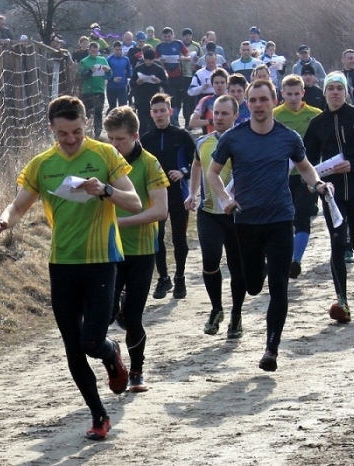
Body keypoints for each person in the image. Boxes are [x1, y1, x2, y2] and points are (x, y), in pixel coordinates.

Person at [0, 95, 141, 441]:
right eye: (62, 134)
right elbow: (18, 206)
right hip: (62, 264)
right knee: (73, 347)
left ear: (85, 125)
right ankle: (99, 414)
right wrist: (1, 222)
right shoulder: (43, 164)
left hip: (102, 261)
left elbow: (133, 202)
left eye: (76, 132)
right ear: (51, 130)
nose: (70, 140)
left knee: (91, 341)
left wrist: (105, 190)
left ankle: (111, 352)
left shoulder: (105, 155)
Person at [207, 79, 330, 371]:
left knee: (279, 286)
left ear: (274, 100)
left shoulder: (288, 137)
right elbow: (213, 174)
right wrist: (225, 198)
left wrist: (318, 184)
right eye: (253, 101)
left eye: (264, 99)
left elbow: (304, 167)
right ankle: (257, 272)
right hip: (246, 222)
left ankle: (271, 349)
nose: (259, 105)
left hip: (279, 220)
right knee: (252, 286)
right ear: (247, 104)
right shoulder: (233, 138)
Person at [304, 72, 354, 323]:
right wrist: (316, 183)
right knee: (338, 242)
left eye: (340, 88)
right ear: (325, 93)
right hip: (332, 193)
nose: (335, 93)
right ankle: (342, 300)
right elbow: (306, 159)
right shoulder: (318, 123)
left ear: (347, 92)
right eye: (331, 89)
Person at [104, 106, 169, 392]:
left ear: (135, 135)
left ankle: (137, 371)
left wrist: (121, 222)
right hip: (108, 251)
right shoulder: (102, 161)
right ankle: (112, 359)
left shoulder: (150, 163)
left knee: (133, 318)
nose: (115, 145)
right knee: (102, 316)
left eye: (120, 139)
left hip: (142, 251)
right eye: (111, 139)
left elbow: (161, 211)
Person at [185, 95, 247, 338]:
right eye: (215, 113)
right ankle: (216, 309)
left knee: (237, 266)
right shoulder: (203, 142)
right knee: (210, 260)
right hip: (209, 212)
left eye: (224, 114)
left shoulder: (244, 142)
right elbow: (197, 165)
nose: (218, 118)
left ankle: (237, 316)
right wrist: (192, 192)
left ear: (235, 116)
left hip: (236, 214)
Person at [140, 93, 196, 299]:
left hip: (178, 193)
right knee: (157, 237)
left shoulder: (182, 136)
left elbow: (196, 163)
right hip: (156, 195)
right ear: (151, 114)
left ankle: (180, 277)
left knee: (180, 238)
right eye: (155, 111)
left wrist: (182, 172)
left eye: (163, 110)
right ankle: (163, 278)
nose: (159, 114)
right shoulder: (146, 139)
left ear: (170, 112)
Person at [273, 74, 322, 278]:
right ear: (282, 93)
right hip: (281, 176)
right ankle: (279, 257)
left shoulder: (316, 114)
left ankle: (296, 260)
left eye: (296, 94)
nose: (293, 98)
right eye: (288, 94)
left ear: (303, 93)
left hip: (306, 174)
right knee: (284, 218)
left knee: (302, 215)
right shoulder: (274, 114)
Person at [155, 27, 191, 127]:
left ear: (173, 35)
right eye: (165, 37)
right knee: (170, 99)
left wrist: (182, 58)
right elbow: (154, 60)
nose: (167, 38)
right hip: (166, 77)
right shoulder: (159, 46)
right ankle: (174, 121)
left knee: (179, 99)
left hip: (179, 76)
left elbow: (189, 57)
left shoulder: (178, 44)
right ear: (162, 37)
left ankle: (177, 119)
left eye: (169, 36)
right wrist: (159, 61)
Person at [130, 48, 169, 135]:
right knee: (142, 122)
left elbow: (167, 84)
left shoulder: (158, 69)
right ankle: (143, 141)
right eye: (146, 59)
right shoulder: (139, 68)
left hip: (154, 98)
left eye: (150, 60)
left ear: (154, 59)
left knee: (154, 121)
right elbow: (131, 83)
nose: (148, 61)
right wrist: (137, 82)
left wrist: (159, 81)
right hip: (141, 98)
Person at [79, 42, 111, 139]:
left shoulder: (102, 60)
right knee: (87, 112)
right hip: (87, 91)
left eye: (96, 51)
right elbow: (80, 75)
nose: (95, 53)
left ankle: (98, 132)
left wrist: (107, 70)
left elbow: (110, 74)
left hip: (99, 89)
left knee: (98, 111)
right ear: (89, 50)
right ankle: (85, 131)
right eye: (93, 51)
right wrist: (89, 71)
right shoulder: (84, 61)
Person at [189, 68, 228, 134]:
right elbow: (192, 123)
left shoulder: (232, 100)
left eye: (222, 82)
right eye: (216, 83)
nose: (219, 85)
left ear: (227, 84)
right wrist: (210, 121)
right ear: (212, 85)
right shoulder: (206, 100)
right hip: (211, 139)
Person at [180, 28, 203, 130]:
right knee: (185, 100)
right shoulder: (179, 45)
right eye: (185, 35)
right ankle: (186, 121)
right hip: (183, 75)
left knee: (193, 100)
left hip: (194, 74)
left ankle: (193, 121)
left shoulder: (196, 45)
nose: (187, 37)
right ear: (182, 36)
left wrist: (198, 60)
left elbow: (202, 58)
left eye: (189, 35)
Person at [106, 41, 133, 113]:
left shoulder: (126, 59)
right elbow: (104, 74)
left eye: (120, 50)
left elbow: (129, 73)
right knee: (112, 108)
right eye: (117, 50)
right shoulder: (108, 59)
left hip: (122, 87)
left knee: (123, 108)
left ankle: (123, 123)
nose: (118, 52)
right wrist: (112, 79)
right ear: (113, 49)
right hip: (111, 87)